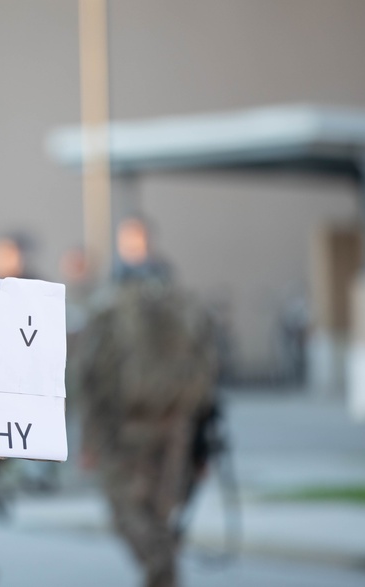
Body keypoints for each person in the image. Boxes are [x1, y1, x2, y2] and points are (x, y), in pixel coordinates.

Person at [71, 222, 218, 587]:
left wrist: (89, 437)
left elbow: (87, 376)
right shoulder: (184, 301)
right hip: (177, 428)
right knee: (157, 514)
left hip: (127, 430)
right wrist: (203, 442)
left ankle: (161, 568)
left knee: (128, 513)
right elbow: (209, 370)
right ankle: (162, 569)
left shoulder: (110, 304)